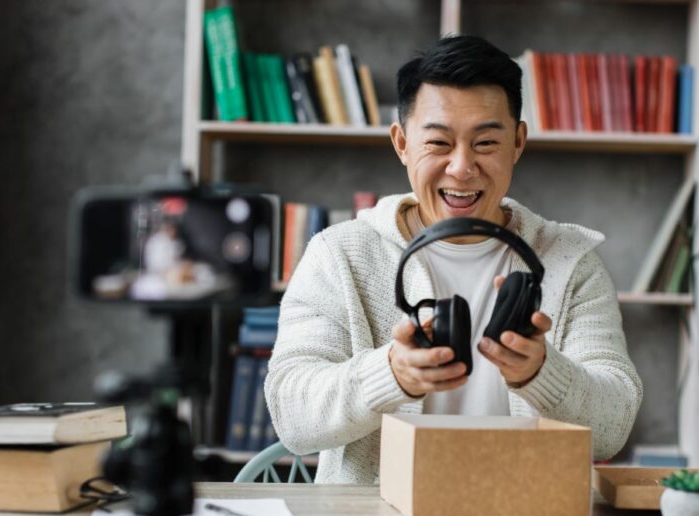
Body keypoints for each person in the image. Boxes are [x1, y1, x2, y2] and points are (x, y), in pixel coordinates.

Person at [265, 35, 642, 484]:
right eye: (439, 143)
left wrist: (543, 373)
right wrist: (390, 374)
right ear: (402, 143)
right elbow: (291, 416)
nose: (462, 168)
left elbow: (614, 424)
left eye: (485, 143)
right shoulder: (338, 254)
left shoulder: (570, 261)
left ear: (518, 143)